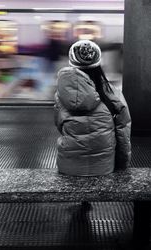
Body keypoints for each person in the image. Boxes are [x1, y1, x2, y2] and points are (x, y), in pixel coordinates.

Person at [54, 40, 131, 176]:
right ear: (98, 63)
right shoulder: (112, 93)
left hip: (68, 167)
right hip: (104, 168)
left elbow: (60, 126)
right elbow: (123, 133)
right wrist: (122, 165)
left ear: (72, 63)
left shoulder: (61, 95)